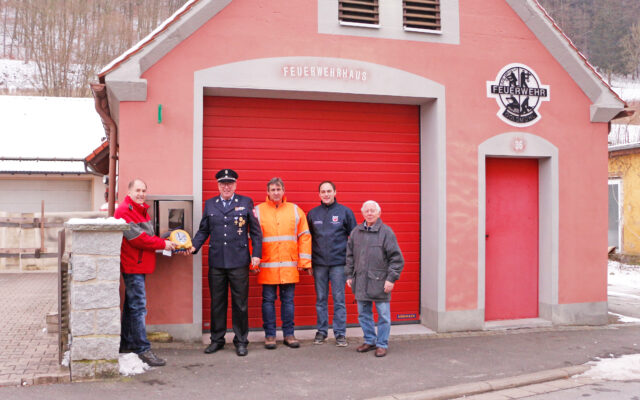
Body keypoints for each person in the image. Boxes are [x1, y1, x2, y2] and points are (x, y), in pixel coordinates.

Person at [189, 169, 262, 357]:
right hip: (217, 262)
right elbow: (203, 230)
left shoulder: (245, 202)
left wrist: (257, 254)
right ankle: (217, 339)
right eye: (223, 184)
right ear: (218, 186)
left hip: (238, 261)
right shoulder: (210, 204)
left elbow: (255, 231)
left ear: (235, 185)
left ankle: (241, 341)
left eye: (230, 183)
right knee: (217, 303)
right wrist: (193, 246)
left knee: (240, 303)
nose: (226, 187)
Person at [115, 178, 176, 367]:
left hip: (139, 264)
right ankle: (142, 349)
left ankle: (126, 344)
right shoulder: (125, 211)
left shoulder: (140, 210)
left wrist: (168, 240)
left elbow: (148, 237)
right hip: (133, 265)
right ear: (129, 192)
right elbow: (138, 239)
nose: (141, 194)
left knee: (131, 307)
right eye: (137, 190)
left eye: (143, 190)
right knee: (139, 307)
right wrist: (162, 244)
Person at [254, 177, 311, 349]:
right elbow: (252, 239)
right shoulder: (257, 211)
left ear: (283, 191)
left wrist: (305, 261)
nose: (276, 192)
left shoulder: (295, 210)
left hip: (288, 266)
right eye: (273, 190)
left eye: (278, 189)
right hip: (268, 266)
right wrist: (253, 263)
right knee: (268, 301)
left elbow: (305, 236)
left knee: (288, 301)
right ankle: (270, 335)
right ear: (267, 192)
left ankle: (289, 334)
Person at [345, 200, 404, 358]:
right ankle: (370, 340)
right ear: (362, 213)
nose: (369, 213)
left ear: (379, 213)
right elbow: (349, 256)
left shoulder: (386, 232)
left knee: (383, 316)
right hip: (361, 282)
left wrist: (391, 279)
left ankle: (382, 344)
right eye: (367, 210)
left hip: (380, 282)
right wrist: (349, 275)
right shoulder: (356, 232)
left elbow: (396, 259)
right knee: (364, 314)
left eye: (373, 210)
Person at [307, 181, 356, 346]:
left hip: (338, 265)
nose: (326, 194)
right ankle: (321, 332)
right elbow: (307, 240)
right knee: (321, 299)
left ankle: (340, 333)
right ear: (319, 194)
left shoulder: (345, 212)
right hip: (319, 264)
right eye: (323, 191)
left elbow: (354, 239)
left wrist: (351, 264)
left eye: (329, 191)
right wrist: (309, 263)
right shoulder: (313, 214)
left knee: (339, 299)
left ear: (335, 192)